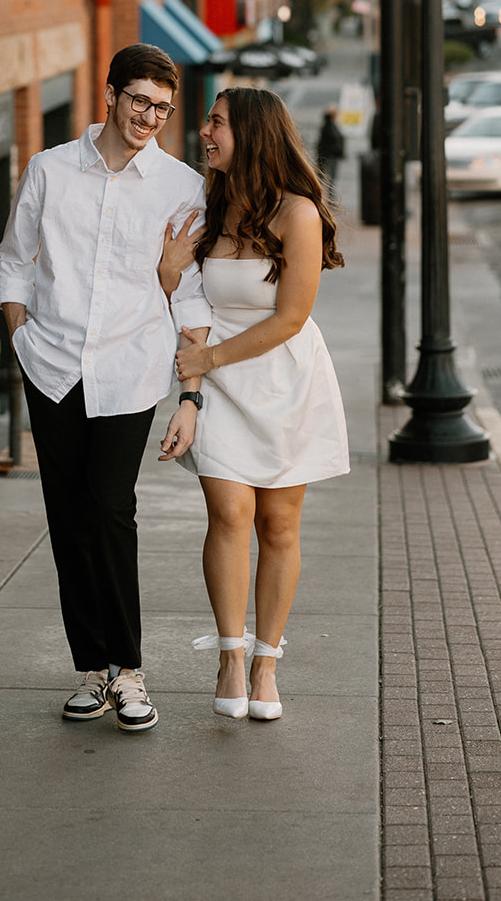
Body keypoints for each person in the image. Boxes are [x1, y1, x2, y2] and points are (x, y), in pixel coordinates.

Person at [0, 44, 210, 733]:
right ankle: (91, 668)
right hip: (51, 366)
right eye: (139, 101)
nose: (149, 116)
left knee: (111, 509)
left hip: (130, 371)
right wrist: (20, 337)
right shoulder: (50, 170)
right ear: (111, 96)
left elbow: (192, 296)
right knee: (68, 516)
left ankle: (130, 668)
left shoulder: (180, 186)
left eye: (162, 108)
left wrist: (189, 395)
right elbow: (12, 262)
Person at [160, 86, 348, 722]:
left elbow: (293, 318)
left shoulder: (298, 213)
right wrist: (167, 280)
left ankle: (268, 662)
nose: (204, 132)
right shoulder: (207, 203)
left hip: (284, 380)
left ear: (253, 134)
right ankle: (231, 656)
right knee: (230, 514)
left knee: (280, 525)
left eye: (216, 123)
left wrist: (206, 361)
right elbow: (190, 302)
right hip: (216, 384)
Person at [315, 104, 345, 191]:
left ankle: (329, 199)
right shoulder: (329, 126)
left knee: (328, 179)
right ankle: (330, 200)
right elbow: (334, 141)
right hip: (330, 156)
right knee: (330, 180)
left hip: (328, 156)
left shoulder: (328, 125)